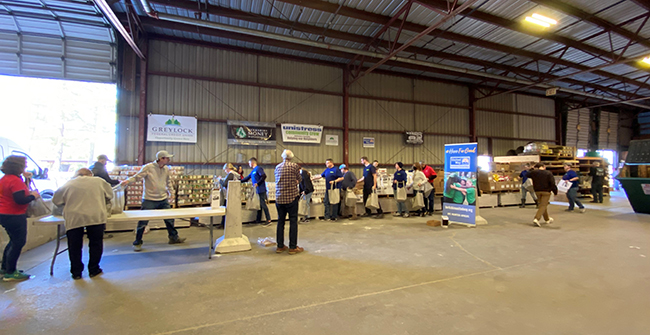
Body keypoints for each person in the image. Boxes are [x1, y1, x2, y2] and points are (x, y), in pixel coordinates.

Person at [52, 168, 113, 280]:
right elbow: (110, 195)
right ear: (91, 174)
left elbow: (56, 200)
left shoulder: (68, 183)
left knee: (74, 245)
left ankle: (76, 272)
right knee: (96, 243)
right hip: (95, 216)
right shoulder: (99, 181)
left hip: (74, 217)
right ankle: (94, 269)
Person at [121, 150, 186, 252]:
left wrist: (172, 193)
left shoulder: (166, 169)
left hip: (163, 198)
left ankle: (173, 238)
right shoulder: (148, 167)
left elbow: (168, 182)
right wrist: (127, 181)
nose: (168, 160)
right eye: (167, 158)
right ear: (161, 159)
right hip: (149, 199)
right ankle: (137, 242)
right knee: (143, 221)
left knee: (169, 219)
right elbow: (138, 177)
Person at [0, 156, 40, 281]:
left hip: (4, 213)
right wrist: (34, 196)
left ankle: (6, 267)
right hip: (14, 215)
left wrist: (26, 179)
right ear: (18, 167)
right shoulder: (15, 181)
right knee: (18, 242)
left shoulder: (5, 179)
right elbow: (20, 200)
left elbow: (19, 192)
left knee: (13, 240)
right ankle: (11, 272)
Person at [274, 150, 303, 255]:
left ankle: (280, 246)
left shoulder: (277, 167)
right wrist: (295, 181)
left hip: (279, 198)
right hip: (291, 197)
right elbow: (299, 179)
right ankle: (292, 247)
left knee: (280, 222)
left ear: (282, 157)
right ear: (291, 157)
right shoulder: (294, 166)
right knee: (293, 221)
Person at [242, 158, 271, 226]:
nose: (249, 164)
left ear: (252, 163)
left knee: (262, 204)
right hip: (257, 190)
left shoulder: (258, 168)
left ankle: (268, 219)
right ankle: (258, 219)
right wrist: (239, 181)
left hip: (261, 189)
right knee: (259, 205)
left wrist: (258, 183)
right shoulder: (253, 171)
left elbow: (264, 176)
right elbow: (247, 178)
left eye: (249, 163)